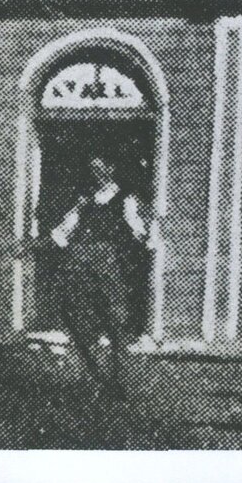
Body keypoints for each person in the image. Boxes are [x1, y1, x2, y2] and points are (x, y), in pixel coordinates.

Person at [47, 155, 153, 397]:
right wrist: (49, 242)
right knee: (74, 315)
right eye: (92, 168)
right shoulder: (85, 201)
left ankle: (115, 379)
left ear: (111, 168)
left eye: (100, 167)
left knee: (116, 321)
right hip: (81, 264)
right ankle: (96, 375)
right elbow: (63, 231)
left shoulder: (125, 199)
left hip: (109, 265)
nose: (96, 173)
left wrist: (144, 242)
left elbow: (139, 231)